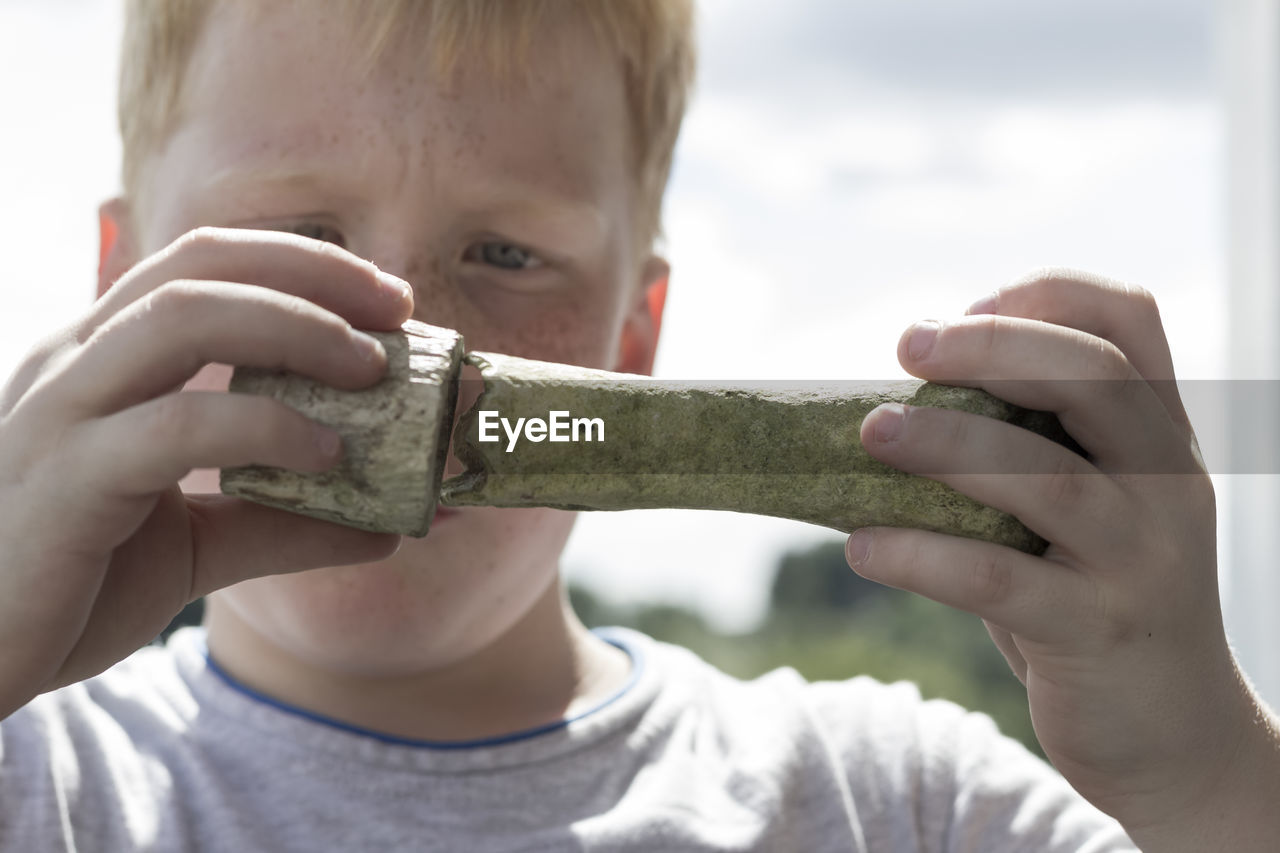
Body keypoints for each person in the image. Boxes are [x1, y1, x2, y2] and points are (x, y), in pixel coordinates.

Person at [0, 1, 1275, 850]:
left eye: (505, 252)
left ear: (633, 334)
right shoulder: (40, 780)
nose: (407, 343)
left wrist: (1204, 768)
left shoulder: (894, 801)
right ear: (126, 278)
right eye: (298, 240)